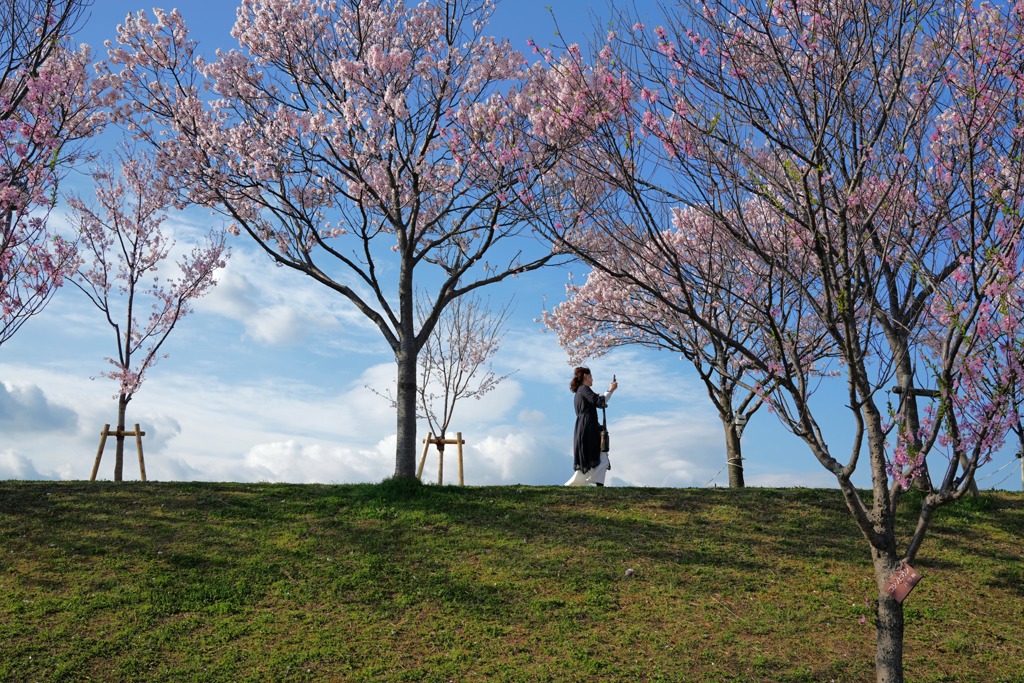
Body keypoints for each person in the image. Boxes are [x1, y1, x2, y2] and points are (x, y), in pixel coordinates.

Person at [566, 366, 617, 486]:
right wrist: (611, 390)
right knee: (601, 456)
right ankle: (595, 483)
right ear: (586, 376)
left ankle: (596, 484)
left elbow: (596, 401)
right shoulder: (584, 389)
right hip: (589, 427)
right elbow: (600, 402)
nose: (592, 380)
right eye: (591, 377)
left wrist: (597, 397)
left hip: (585, 427)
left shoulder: (581, 391)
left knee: (600, 457)